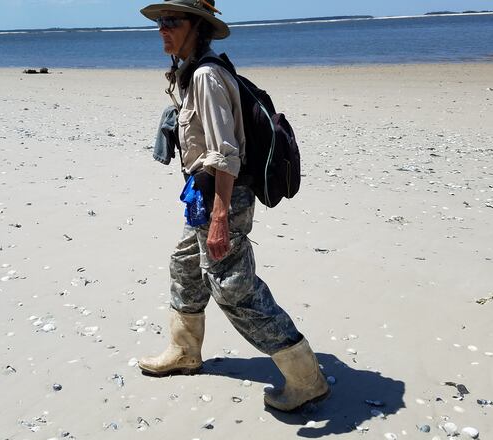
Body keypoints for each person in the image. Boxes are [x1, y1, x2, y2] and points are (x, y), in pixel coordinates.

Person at [138, 0, 330, 412]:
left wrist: (221, 214)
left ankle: (305, 376)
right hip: (204, 192)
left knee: (232, 288)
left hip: (225, 193)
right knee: (185, 264)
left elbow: (226, 153)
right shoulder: (187, 72)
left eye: (172, 21)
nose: (162, 29)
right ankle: (185, 351)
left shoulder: (206, 75)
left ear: (197, 27)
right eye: (160, 22)